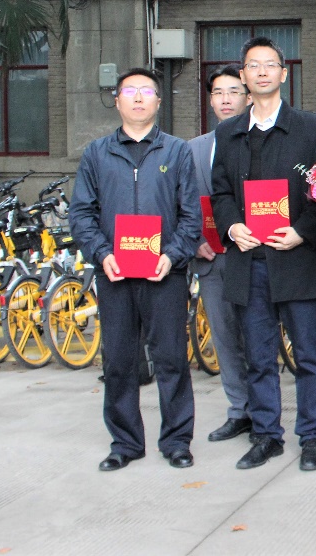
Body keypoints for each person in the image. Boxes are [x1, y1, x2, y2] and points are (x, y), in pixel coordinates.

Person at [211, 36, 316, 472]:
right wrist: (232, 226)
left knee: (309, 355)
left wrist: (303, 232)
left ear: (284, 73)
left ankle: (311, 437)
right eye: (253, 65)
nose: (261, 72)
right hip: (251, 262)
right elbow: (220, 192)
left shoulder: (311, 128)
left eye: (270, 65)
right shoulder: (228, 133)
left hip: (298, 260)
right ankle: (267, 435)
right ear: (243, 76)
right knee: (259, 356)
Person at [69, 68, 202, 471]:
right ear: (117, 100)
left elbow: (191, 216)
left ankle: (176, 441)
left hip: (165, 274)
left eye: (147, 91)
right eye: (130, 91)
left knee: (172, 359)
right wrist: (101, 253)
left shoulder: (176, 152)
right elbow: (81, 214)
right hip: (115, 274)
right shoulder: (97, 153)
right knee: (119, 361)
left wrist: (172, 255)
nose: (139, 97)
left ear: (159, 101)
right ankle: (125, 443)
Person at [187, 65, 254, 444]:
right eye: (218, 93)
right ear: (210, 100)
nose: (226, 99)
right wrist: (194, 240)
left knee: (258, 335)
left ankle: (264, 410)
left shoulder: (259, 140)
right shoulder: (193, 149)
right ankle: (239, 409)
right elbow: (181, 203)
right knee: (225, 338)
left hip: (255, 255)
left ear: (248, 96)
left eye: (233, 91)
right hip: (212, 257)